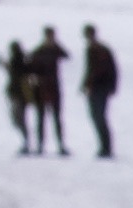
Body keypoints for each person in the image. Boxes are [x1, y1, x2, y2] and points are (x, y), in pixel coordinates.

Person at [79, 23, 119, 160]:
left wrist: (112, 86)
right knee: (96, 117)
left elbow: (108, 69)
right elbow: (89, 70)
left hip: (100, 88)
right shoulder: (92, 49)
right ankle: (104, 147)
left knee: (100, 117)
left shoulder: (101, 50)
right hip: (95, 88)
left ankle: (106, 147)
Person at [32, 26, 70, 156]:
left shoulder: (55, 50)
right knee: (41, 118)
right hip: (42, 88)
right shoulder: (39, 51)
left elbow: (66, 55)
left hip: (54, 87)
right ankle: (40, 145)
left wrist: (56, 45)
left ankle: (61, 145)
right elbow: (31, 63)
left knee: (57, 118)